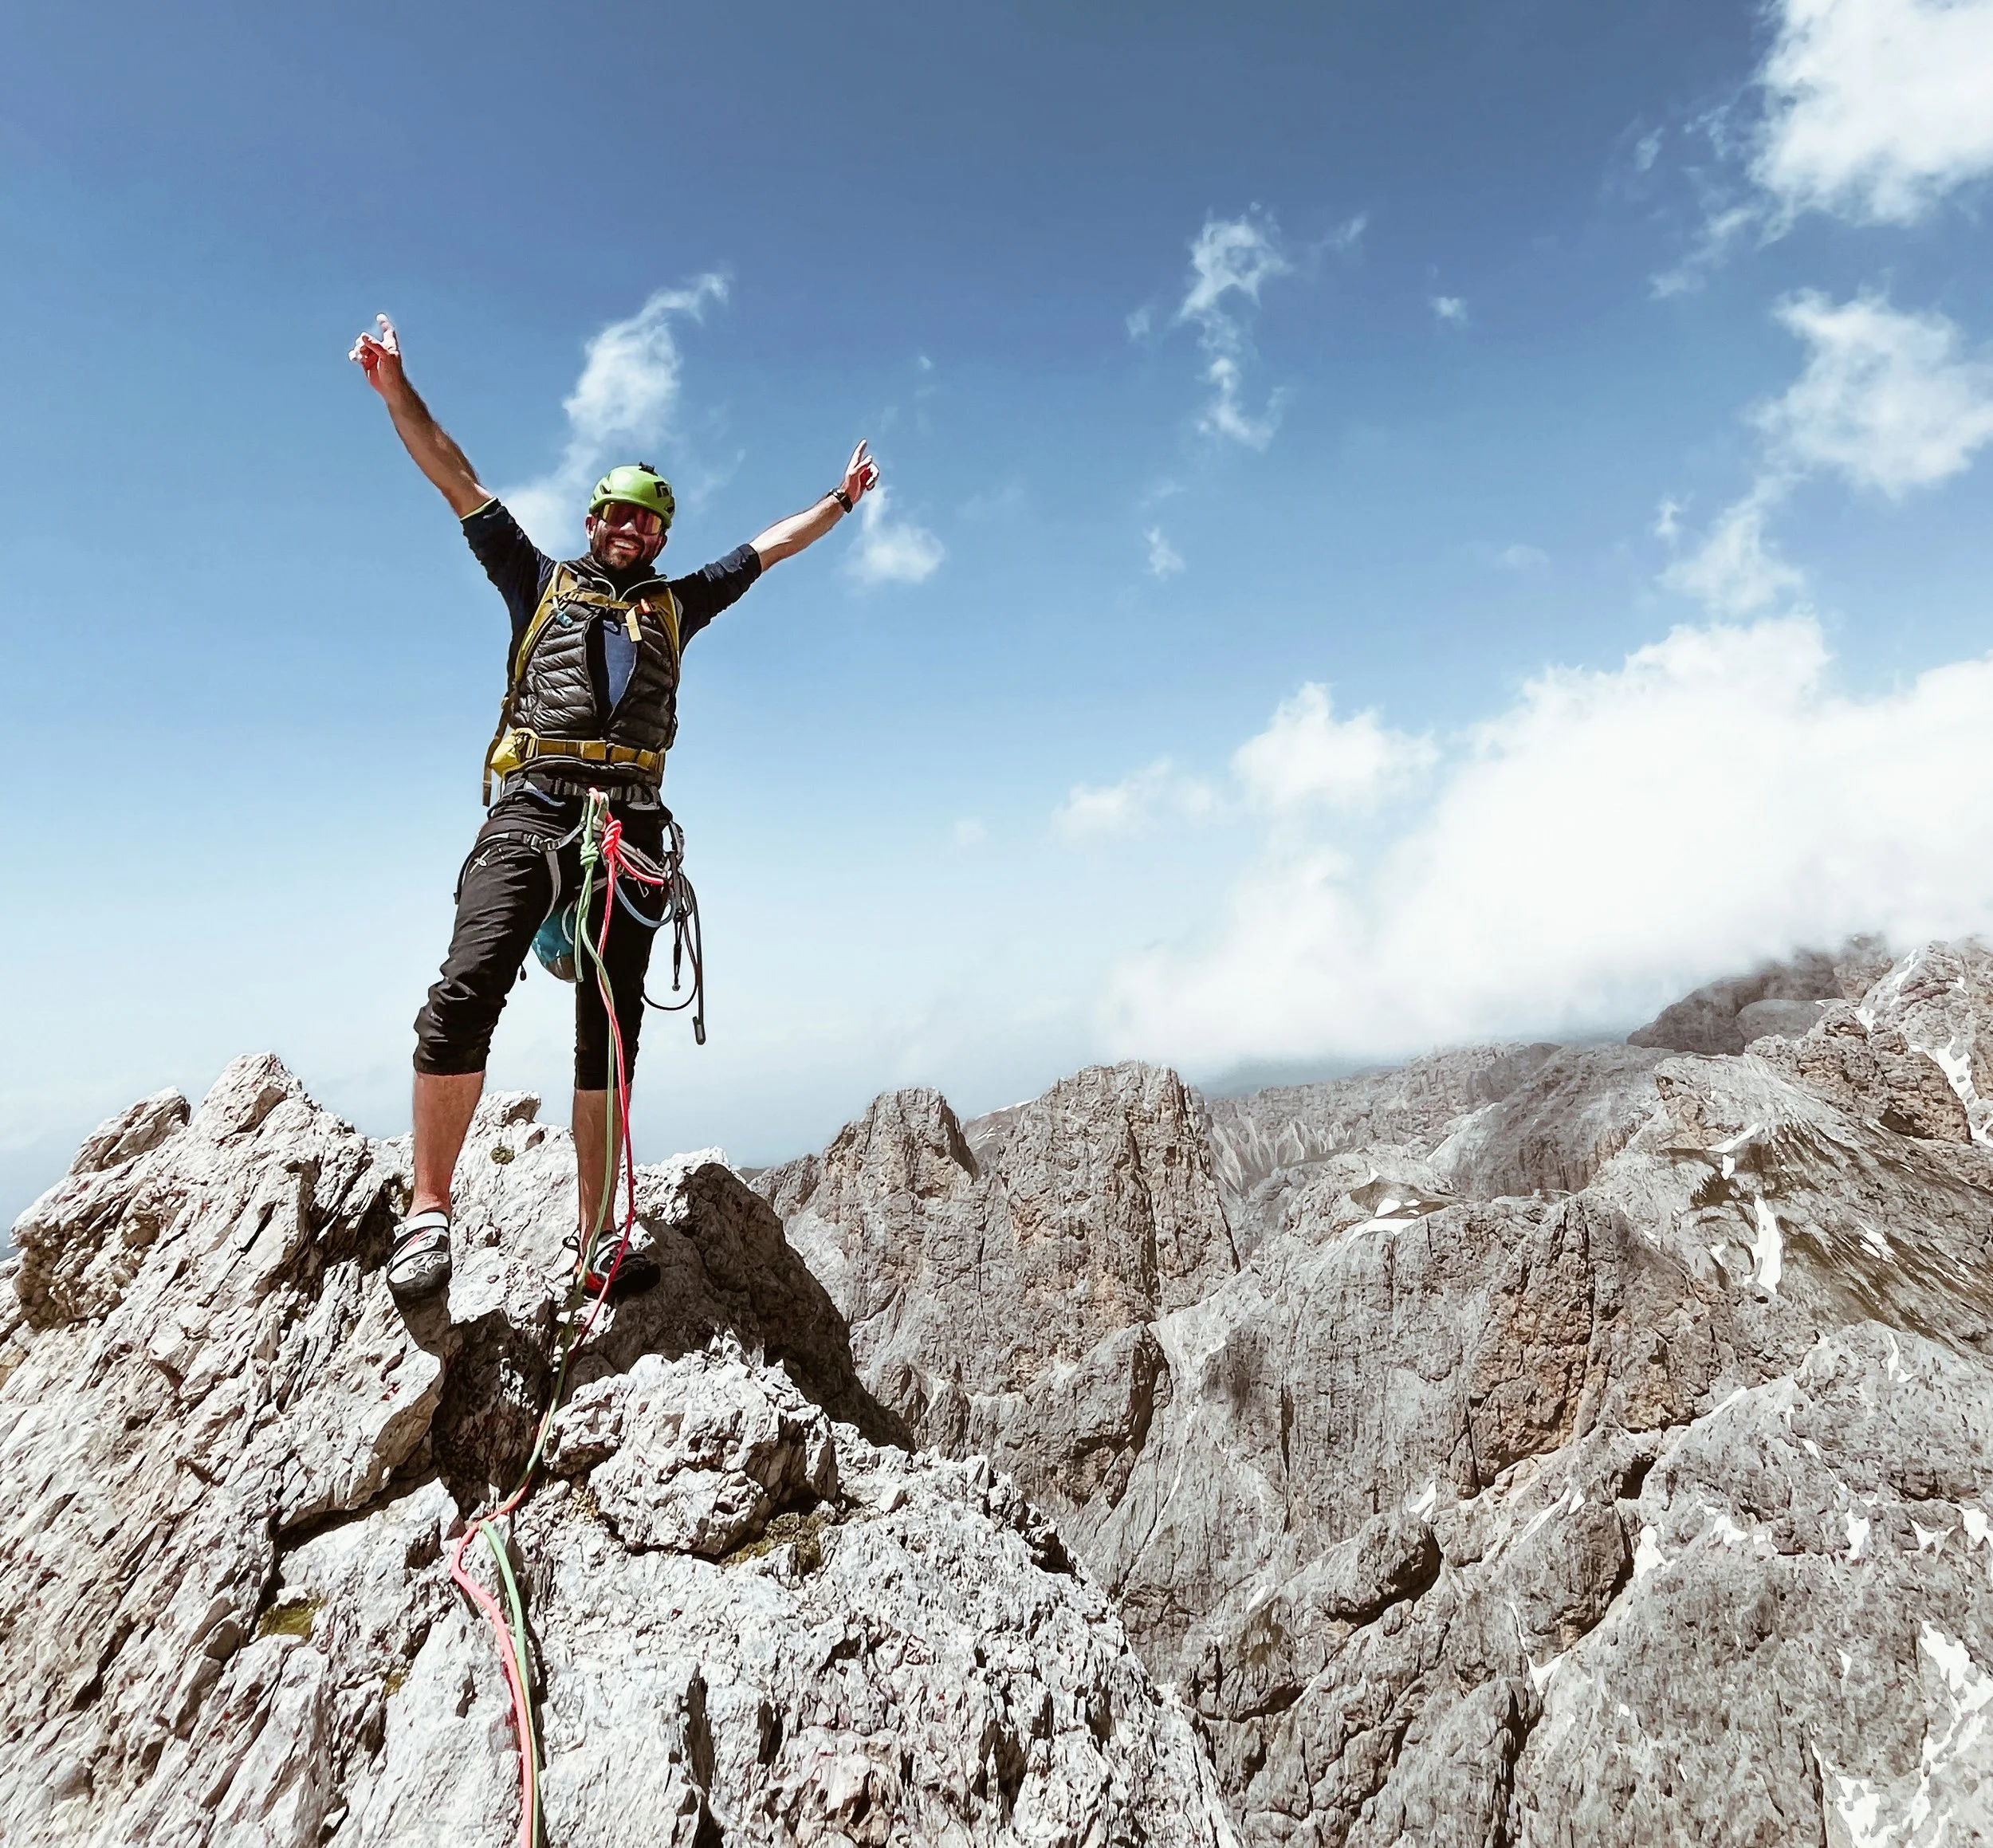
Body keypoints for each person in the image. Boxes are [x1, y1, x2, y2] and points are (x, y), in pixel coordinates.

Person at [349, 313, 878, 1301]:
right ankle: (429, 1210)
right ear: (594, 521)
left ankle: (598, 1235)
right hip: (534, 805)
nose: (631, 530)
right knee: (467, 990)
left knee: (612, 1027)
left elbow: (766, 549)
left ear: (662, 535)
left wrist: (839, 503)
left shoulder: (679, 603)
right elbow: (453, 473)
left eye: (648, 520)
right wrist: (396, 391)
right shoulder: (535, 578)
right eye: (617, 515)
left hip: (631, 828)